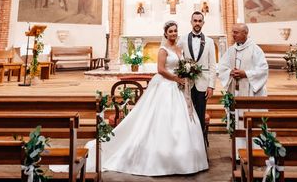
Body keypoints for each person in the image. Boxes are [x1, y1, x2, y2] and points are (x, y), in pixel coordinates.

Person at [82, 21, 208, 176]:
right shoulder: (163, 50)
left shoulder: (179, 48)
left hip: (178, 88)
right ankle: (159, 158)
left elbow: (181, 66)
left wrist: (185, 74)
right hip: (165, 86)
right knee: (161, 120)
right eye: (171, 31)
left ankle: (184, 158)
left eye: (175, 31)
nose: (174, 33)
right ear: (165, 34)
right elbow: (160, 70)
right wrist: (176, 79)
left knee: (183, 120)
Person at [217, 23, 269, 151]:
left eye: (236, 32)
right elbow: (222, 67)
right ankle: (239, 152)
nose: (233, 35)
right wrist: (230, 72)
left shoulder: (255, 49)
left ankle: (256, 150)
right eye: (233, 32)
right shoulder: (231, 50)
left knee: (252, 121)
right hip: (237, 92)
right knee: (238, 120)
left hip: (252, 93)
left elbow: (263, 70)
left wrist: (245, 73)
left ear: (245, 33)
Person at [180, 11, 216, 135]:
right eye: (195, 21)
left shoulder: (210, 42)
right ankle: (188, 139)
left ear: (203, 23)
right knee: (187, 112)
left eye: (199, 21)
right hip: (187, 83)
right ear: (191, 22)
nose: (197, 23)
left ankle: (200, 143)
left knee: (200, 113)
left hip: (203, 84)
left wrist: (211, 86)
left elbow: (212, 65)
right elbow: (177, 56)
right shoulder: (183, 39)